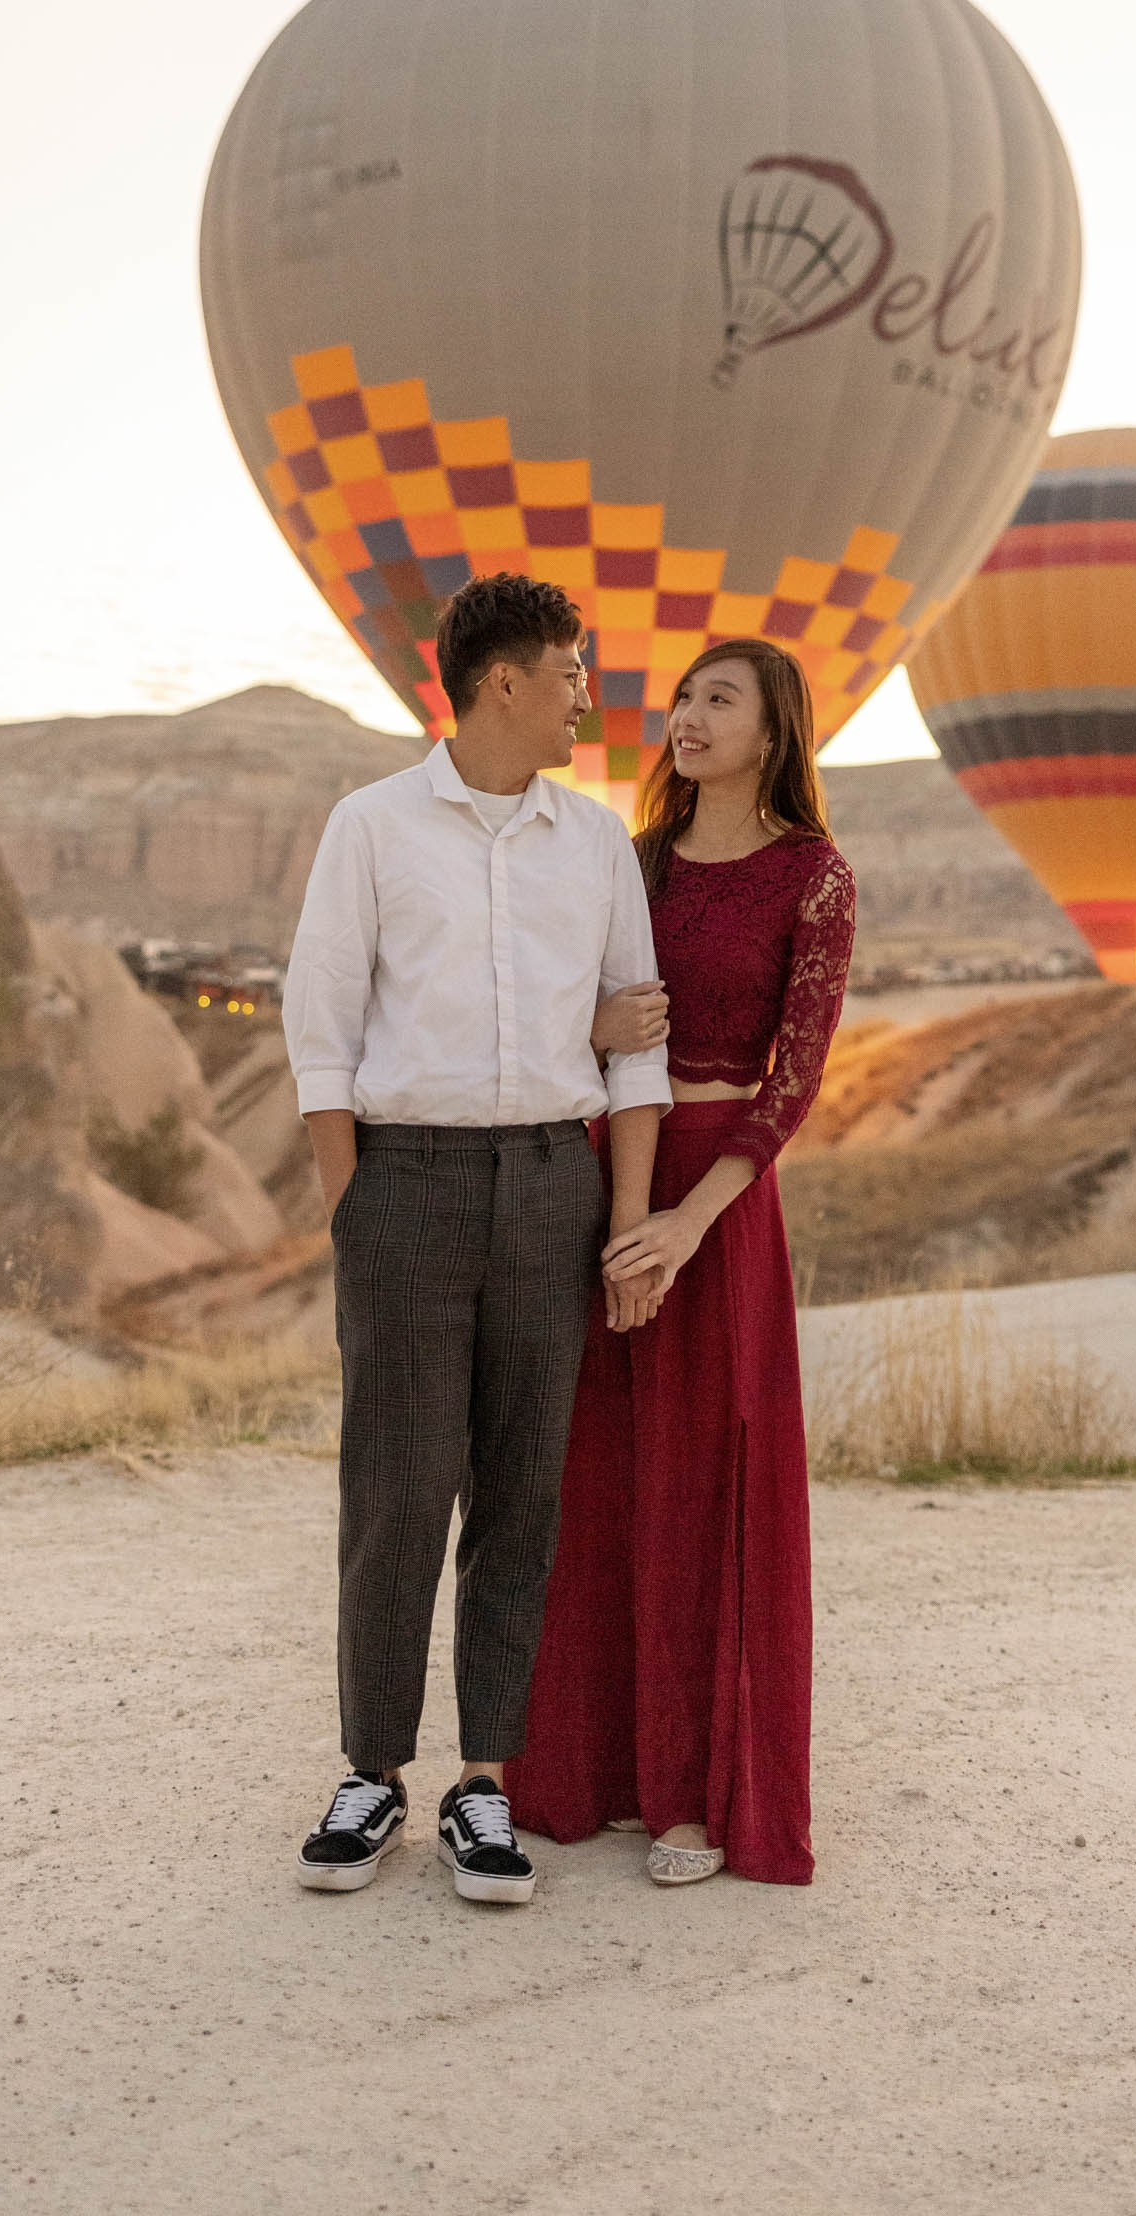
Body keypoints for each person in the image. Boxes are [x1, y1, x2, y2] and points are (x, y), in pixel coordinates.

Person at [284, 572, 671, 1905]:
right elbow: (318, 1028)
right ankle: (370, 1772)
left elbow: (638, 1046)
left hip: (550, 1192)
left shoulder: (595, 842)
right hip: (407, 1187)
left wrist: (622, 1227)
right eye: (573, 666)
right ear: (502, 679)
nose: (588, 688)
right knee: (396, 1490)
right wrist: (355, 1199)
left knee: (523, 1497)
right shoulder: (373, 827)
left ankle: (483, 1786)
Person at [504, 638, 856, 1888]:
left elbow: (797, 1080)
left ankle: (698, 1796)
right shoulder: (630, 859)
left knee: (706, 1480)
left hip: (718, 1196)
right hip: (611, 1168)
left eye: (722, 699)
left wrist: (684, 1227)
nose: (688, 716)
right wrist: (620, 1216)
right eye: (686, 696)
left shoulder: (813, 876)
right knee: (592, 1473)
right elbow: (562, 1013)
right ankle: (589, 1770)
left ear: (774, 733)